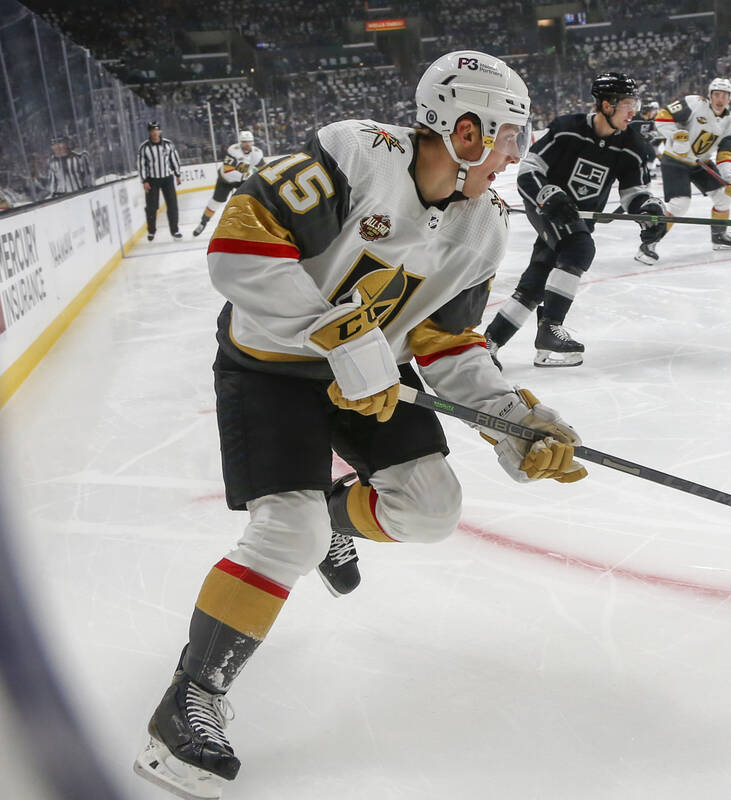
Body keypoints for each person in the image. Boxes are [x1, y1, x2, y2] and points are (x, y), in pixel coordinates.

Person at [133, 50, 588, 800]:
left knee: (432, 507)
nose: (514, 153)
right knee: (288, 534)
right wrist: (338, 336)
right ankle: (186, 704)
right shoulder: (356, 152)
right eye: (507, 134)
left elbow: (446, 342)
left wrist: (512, 421)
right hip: (269, 368)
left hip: (366, 376)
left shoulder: (486, 227)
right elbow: (240, 249)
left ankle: (336, 522)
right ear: (464, 127)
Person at [482, 72, 666, 369]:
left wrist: (649, 210)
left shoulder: (631, 143)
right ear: (607, 105)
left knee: (536, 283)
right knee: (580, 247)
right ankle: (550, 327)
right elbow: (529, 170)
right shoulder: (568, 129)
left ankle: (489, 343)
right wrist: (549, 194)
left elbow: (633, 193)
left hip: (576, 220)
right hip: (547, 206)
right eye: (627, 104)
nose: (633, 111)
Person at [644, 77, 731, 264]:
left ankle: (719, 236)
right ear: (710, 95)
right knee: (680, 205)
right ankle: (648, 243)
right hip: (675, 160)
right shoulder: (694, 103)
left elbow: (725, 154)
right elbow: (663, 116)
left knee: (723, 195)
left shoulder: (730, 122)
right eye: (716, 94)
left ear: (730, 98)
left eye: (724, 95)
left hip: (700, 162)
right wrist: (676, 136)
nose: (720, 99)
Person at [193, 130, 265, 236]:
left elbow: (263, 170)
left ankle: (250, 225)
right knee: (216, 201)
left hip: (242, 179)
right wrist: (248, 173)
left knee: (248, 201)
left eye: (249, 141)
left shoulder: (257, 153)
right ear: (240, 142)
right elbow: (227, 171)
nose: (247, 144)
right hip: (226, 180)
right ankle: (203, 222)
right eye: (244, 142)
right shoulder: (233, 150)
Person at [137, 121, 182, 240]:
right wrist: (144, 181)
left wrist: (177, 174)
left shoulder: (168, 144)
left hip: (167, 178)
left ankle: (175, 231)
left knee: (172, 205)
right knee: (151, 207)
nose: (155, 132)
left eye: (156, 130)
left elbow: (174, 159)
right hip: (152, 180)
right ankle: (151, 231)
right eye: (152, 130)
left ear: (160, 131)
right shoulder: (144, 147)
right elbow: (141, 165)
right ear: (149, 132)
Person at [629, 100, 664, 178]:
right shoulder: (635, 118)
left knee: (652, 155)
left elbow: (654, 130)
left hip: (644, 141)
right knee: (634, 158)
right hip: (633, 142)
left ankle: (647, 173)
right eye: (651, 111)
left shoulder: (651, 120)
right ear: (647, 112)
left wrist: (651, 134)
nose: (653, 113)